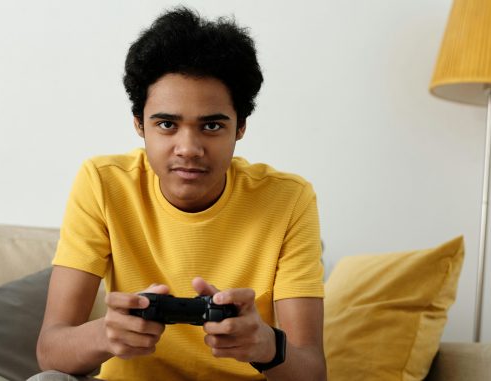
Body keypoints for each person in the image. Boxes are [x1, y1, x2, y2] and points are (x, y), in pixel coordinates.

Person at [33, 7, 325, 381]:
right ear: (139, 124)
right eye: (167, 124)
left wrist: (268, 346)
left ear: (241, 127)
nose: (188, 148)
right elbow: (50, 350)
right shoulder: (103, 183)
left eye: (212, 125)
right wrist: (106, 333)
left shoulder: (289, 199)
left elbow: (313, 373)